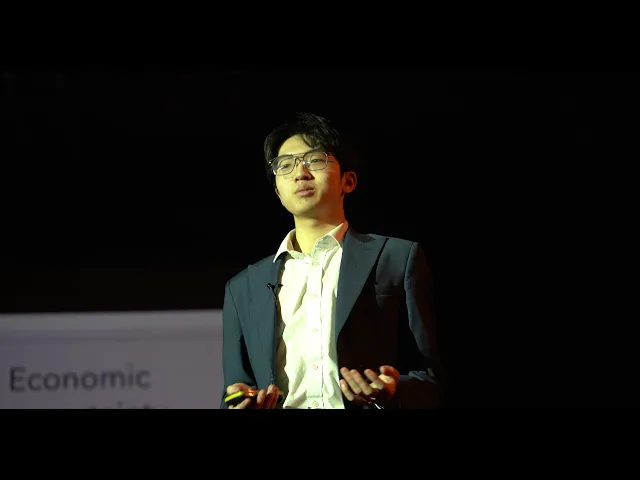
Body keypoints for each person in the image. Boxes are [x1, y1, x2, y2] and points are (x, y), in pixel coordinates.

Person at [220, 112, 442, 409]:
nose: (300, 173)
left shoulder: (396, 258)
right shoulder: (243, 288)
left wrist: (392, 392)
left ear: (347, 181)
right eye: (285, 165)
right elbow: (234, 392)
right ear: (277, 192)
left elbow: (431, 379)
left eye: (315, 160)